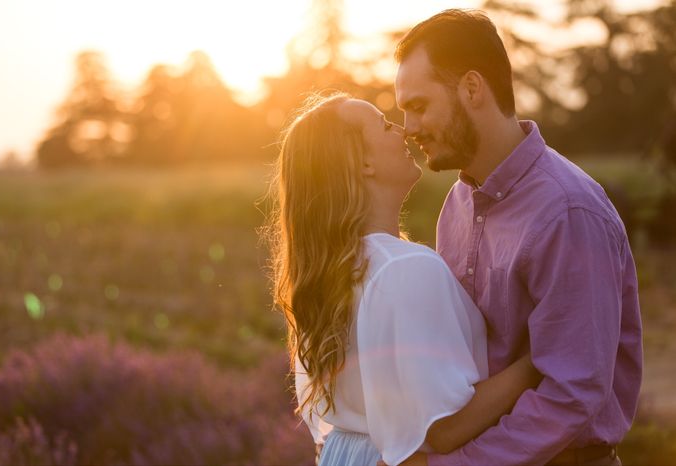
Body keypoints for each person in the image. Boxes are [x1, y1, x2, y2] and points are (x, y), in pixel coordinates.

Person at [392, 9, 642, 466]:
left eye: (418, 106)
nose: (408, 129)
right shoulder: (458, 204)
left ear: (471, 89)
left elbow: (571, 393)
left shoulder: (567, 212)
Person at [264, 91, 542, 466]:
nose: (403, 131)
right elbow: (442, 430)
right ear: (362, 162)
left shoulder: (331, 271)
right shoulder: (405, 269)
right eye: (383, 124)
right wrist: (535, 361)